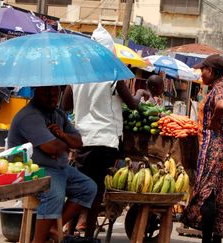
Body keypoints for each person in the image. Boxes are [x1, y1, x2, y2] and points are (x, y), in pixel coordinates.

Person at [62, 25, 151, 237]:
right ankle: (87, 235)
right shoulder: (113, 74)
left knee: (79, 189)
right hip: (105, 141)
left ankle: (68, 231)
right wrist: (139, 91)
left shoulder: (78, 74)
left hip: (82, 140)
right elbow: (132, 104)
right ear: (109, 51)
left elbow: (65, 105)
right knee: (94, 192)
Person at [8, 86, 97, 242]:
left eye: (55, 95)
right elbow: (52, 148)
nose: (52, 98)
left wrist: (62, 136)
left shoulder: (58, 114)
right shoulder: (30, 116)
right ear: (36, 92)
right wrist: (64, 143)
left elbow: (78, 142)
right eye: (46, 94)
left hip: (59, 168)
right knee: (55, 193)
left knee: (88, 187)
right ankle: (39, 240)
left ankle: (54, 228)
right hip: (34, 170)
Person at [182, 54, 223, 243]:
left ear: (211, 70)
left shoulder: (221, 88)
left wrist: (215, 122)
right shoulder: (219, 88)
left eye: (203, 70)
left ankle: (207, 239)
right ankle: (214, 239)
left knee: (206, 192)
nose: (201, 73)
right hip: (219, 145)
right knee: (216, 192)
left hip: (214, 145)